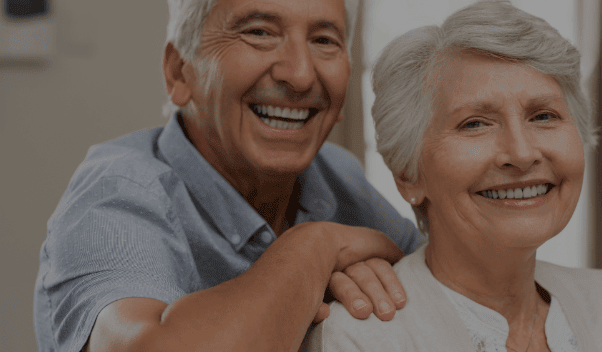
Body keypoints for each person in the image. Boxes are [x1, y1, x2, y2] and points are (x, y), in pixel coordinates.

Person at [33, 0, 426, 351]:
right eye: (259, 33)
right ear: (179, 73)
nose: (301, 75)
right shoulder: (117, 193)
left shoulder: (335, 172)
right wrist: (316, 246)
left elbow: (448, 282)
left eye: (324, 40)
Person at [308, 1, 602, 351]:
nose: (521, 154)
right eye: (475, 124)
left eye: (543, 116)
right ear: (409, 174)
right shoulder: (360, 337)